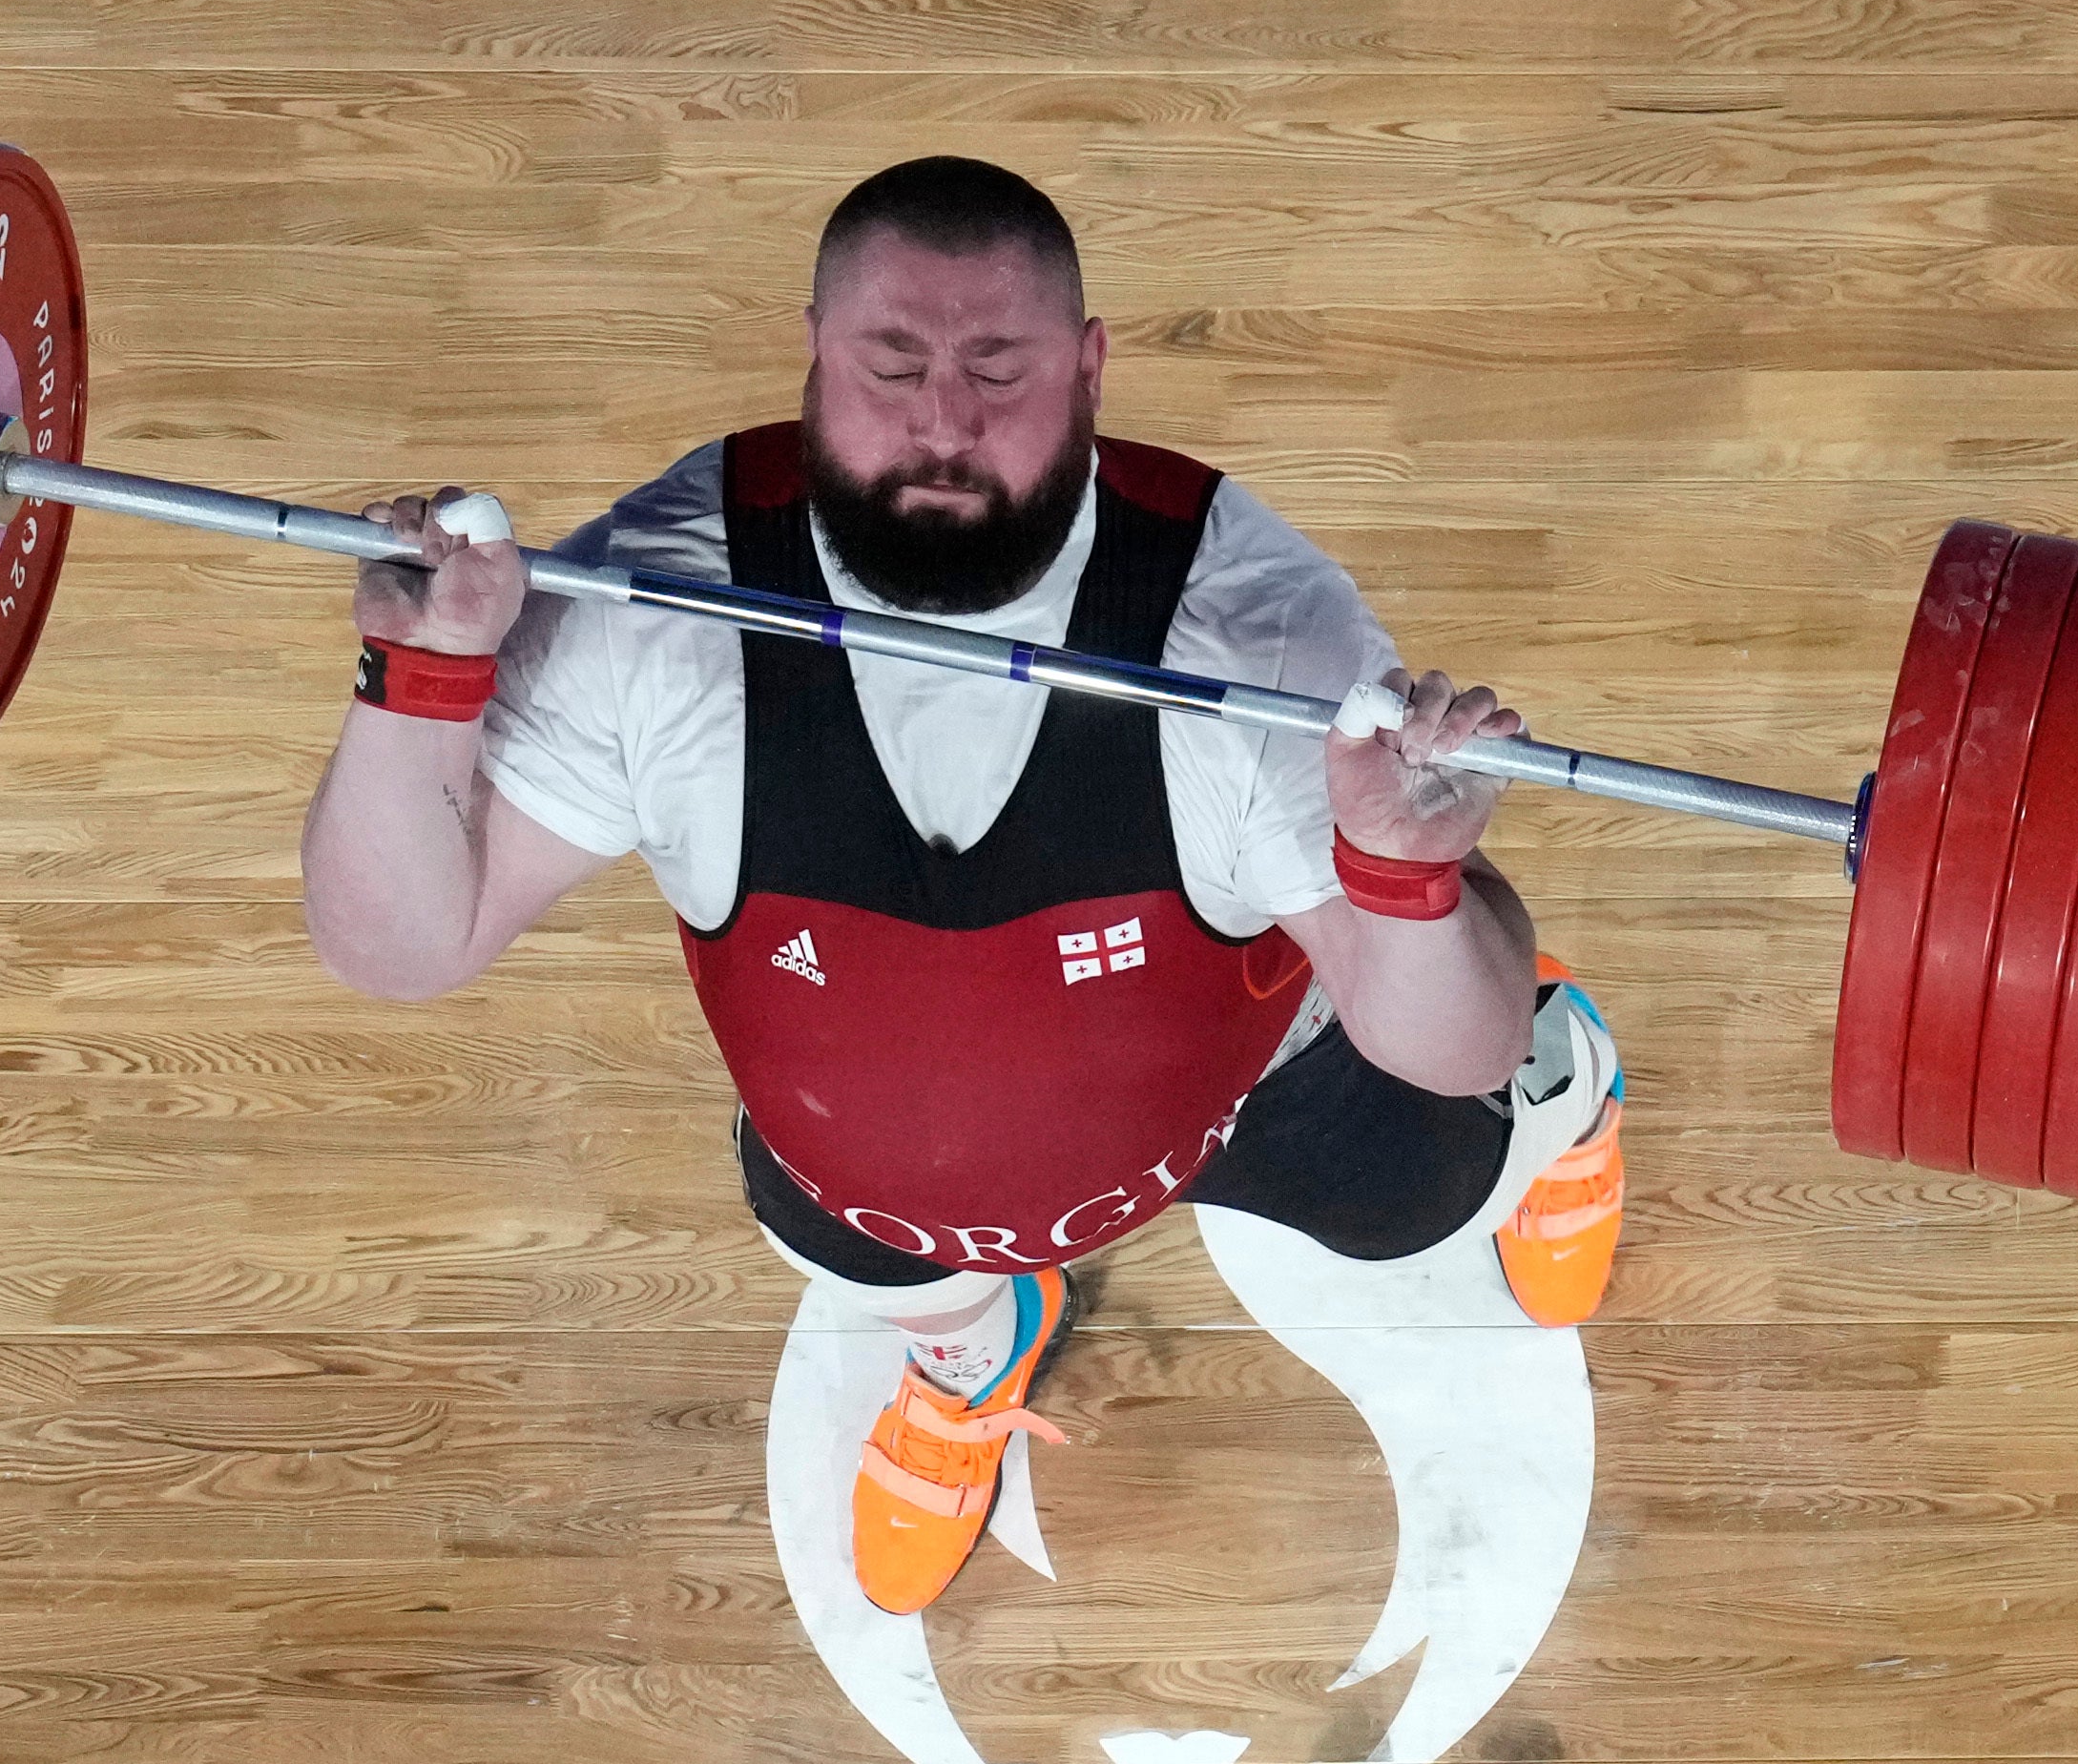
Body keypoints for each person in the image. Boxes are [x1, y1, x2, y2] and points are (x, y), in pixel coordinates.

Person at [301, 156, 1625, 1617]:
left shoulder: (1245, 644)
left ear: (1090, 367)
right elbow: (400, 948)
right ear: (813, 346)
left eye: (998, 366)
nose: (945, 424)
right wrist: (421, 687)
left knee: (1426, 1181)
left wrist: (1410, 882)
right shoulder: (664, 605)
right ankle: (967, 1347)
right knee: (866, 1253)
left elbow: (1448, 1043)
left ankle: (1574, 1084)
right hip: (853, 1151)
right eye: (894, 363)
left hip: (1257, 1077)